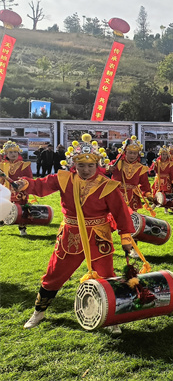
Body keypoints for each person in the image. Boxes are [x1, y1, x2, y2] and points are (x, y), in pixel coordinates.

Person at [17, 134, 135, 332]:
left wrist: (126, 237)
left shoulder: (107, 185)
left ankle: (112, 319)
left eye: (90, 166)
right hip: (70, 235)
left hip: (98, 236)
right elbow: (42, 184)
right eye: (81, 165)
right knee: (54, 274)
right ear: (74, 164)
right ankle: (39, 312)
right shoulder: (64, 179)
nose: (86, 170)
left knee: (106, 276)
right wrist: (26, 184)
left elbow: (121, 212)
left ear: (97, 165)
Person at [107, 136, 152, 213]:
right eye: (130, 153)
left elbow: (145, 184)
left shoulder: (141, 168)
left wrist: (148, 194)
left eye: (135, 153)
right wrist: (108, 168)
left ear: (138, 154)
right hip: (117, 194)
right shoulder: (117, 163)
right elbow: (103, 171)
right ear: (125, 153)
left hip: (133, 197)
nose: (132, 155)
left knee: (131, 217)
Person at [1, 140, 34, 236]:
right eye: (11, 152)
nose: (13, 154)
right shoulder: (2, 165)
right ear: (6, 154)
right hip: (6, 191)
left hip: (19, 190)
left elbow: (29, 178)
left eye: (15, 152)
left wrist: (22, 183)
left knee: (22, 209)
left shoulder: (24, 165)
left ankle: (22, 228)